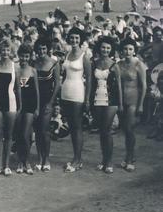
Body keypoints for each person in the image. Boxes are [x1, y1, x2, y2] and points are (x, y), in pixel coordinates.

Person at [60, 27, 92, 172]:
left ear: (80, 40)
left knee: (77, 127)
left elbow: (90, 78)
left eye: (77, 38)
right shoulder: (67, 54)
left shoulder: (84, 56)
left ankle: (78, 160)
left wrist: (87, 99)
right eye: (72, 38)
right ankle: (75, 157)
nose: (74, 40)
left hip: (78, 92)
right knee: (71, 127)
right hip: (65, 91)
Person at [91, 36, 122, 174]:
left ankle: (109, 162)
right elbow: (91, 84)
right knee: (101, 131)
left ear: (111, 50)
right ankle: (104, 160)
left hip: (111, 100)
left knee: (106, 129)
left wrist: (120, 104)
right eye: (103, 47)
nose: (105, 50)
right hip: (97, 99)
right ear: (99, 48)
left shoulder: (115, 65)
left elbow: (119, 87)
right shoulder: (94, 63)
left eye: (108, 48)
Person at [117, 38, 146, 172]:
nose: (127, 51)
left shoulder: (138, 64)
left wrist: (140, 105)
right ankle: (129, 156)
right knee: (125, 130)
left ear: (134, 51)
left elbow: (144, 86)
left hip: (134, 100)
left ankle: (130, 158)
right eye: (125, 49)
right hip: (122, 100)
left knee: (129, 129)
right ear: (121, 50)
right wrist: (119, 103)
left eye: (130, 49)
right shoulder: (120, 64)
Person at [0, 40, 21, 177]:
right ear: (0, 50)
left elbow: (18, 88)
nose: (5, 52)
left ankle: (7, 165)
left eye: (8, 50)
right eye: (3, 50)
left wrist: (20, 105)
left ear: (11, 52)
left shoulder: (15, 67)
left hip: (11, 102)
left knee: (9, 135)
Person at [33, 38, 60, 171]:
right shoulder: (34, 63)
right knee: (37, 130)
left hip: (48, 101)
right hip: (35, 101)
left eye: (44, 48)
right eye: (39, 49)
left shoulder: (54, 63)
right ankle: (39, 157)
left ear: (48, 49)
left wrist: (51, 103)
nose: (41, 51)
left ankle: (46, 158)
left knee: (45, 131)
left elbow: (57, 85)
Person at [15, 44, 39, 174]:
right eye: (22, 56)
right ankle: (20, 160)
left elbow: (36, 91)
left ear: (30, 57)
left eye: (27, 56)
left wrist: (38, 108)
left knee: (26, 134)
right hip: (19, 105)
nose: (24, 58)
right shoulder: (16, 70)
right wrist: (18, 106)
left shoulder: (33, 70)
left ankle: (27, 161)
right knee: (19, 134)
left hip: (30, 104)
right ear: (19, 56)